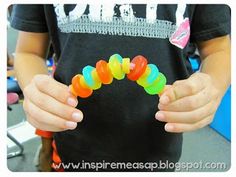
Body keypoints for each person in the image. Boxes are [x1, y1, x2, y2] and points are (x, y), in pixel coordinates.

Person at [10, 4, 231, 172]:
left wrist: (213, 86)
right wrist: (33, 87)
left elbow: (219, 49)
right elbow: (28, 51)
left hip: (158, 151)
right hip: (74, 148)